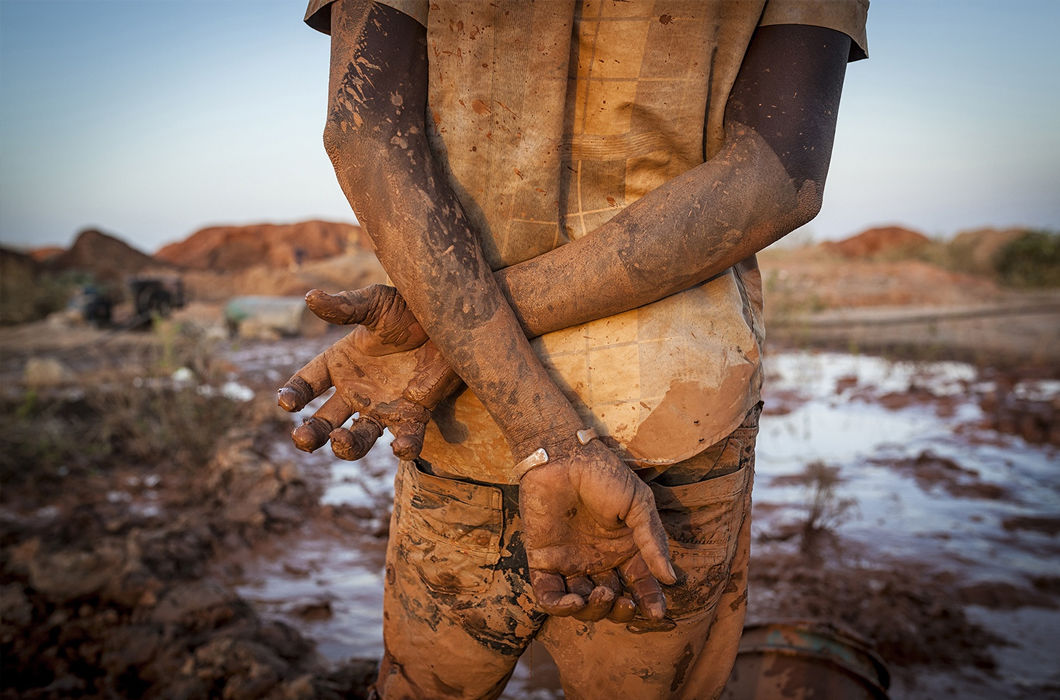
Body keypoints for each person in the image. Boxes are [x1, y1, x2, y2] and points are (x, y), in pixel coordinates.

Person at [280, 1, 867, 697]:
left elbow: (365, 129)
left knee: (421, 686)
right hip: (669, 420)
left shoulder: (448, 348)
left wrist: (456, 335)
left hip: (463, 409)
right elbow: (779, 174)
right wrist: (536, 419)